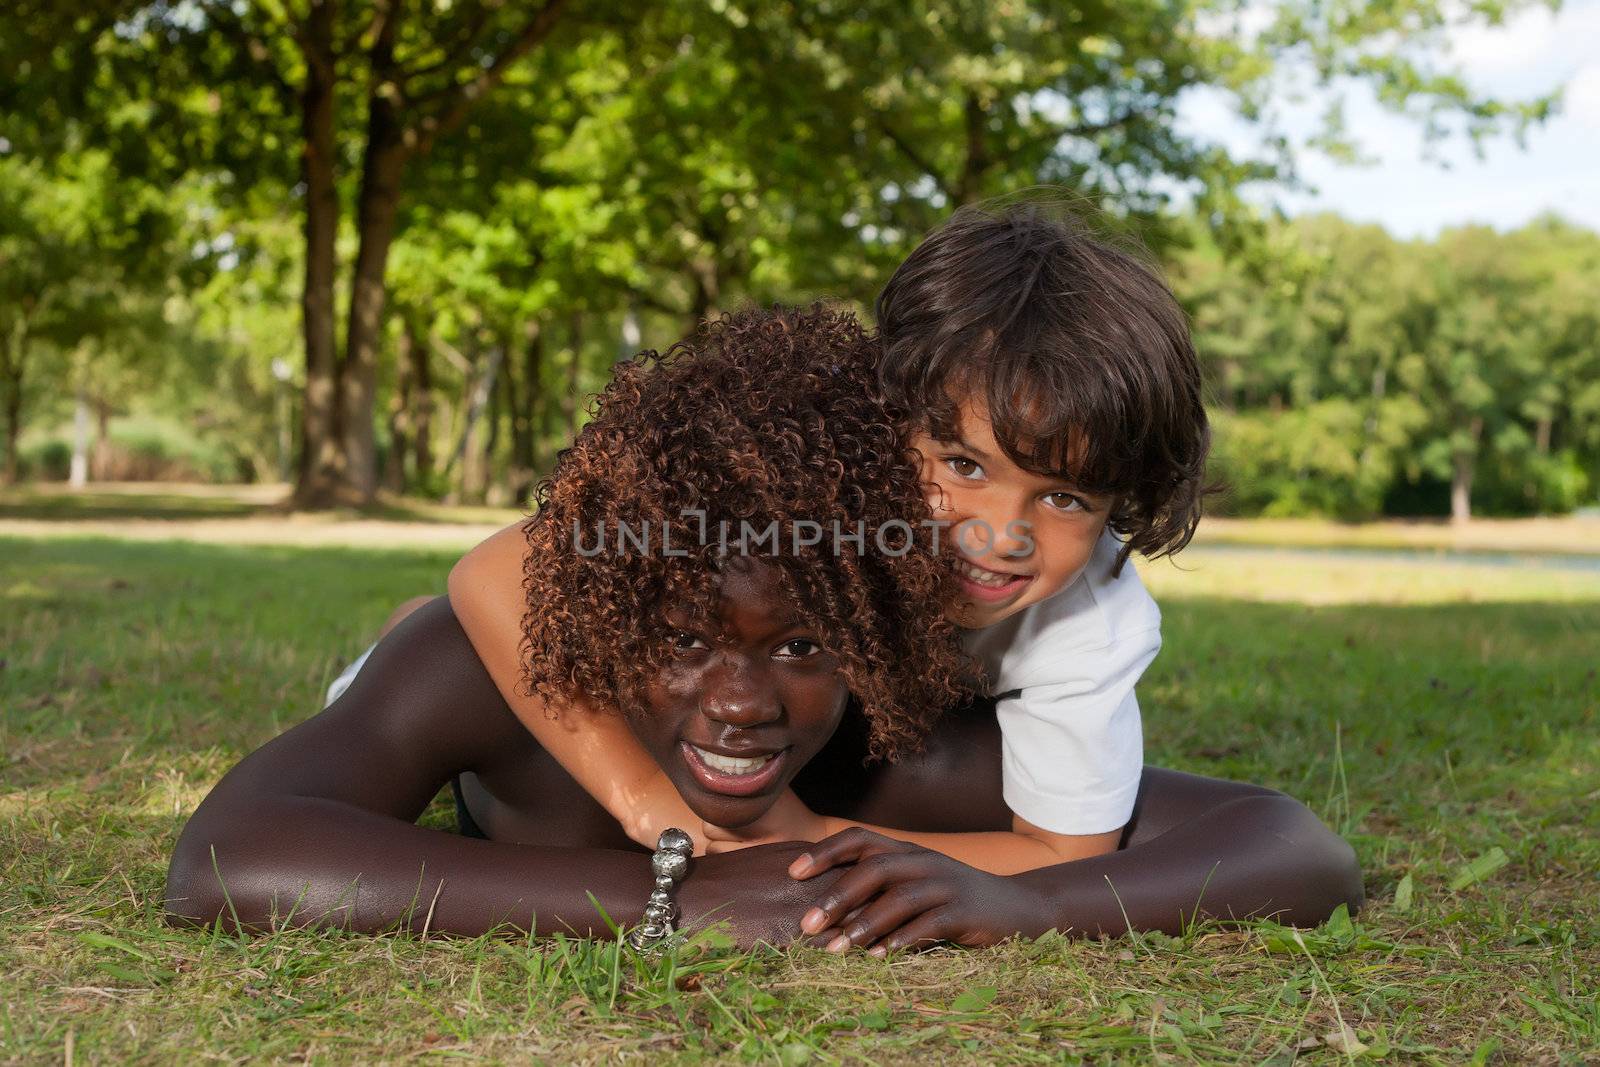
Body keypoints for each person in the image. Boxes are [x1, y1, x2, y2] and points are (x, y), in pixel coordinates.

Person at [165, 307, 1360, 951]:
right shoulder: (521, 654)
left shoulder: (883, 724)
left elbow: (1285, 839)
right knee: (425, 631)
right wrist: (661, 900)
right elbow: (229, 856)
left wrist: (1023, 901)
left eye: (801, 645)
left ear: (879, 624)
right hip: (487, 649)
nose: (740, 699)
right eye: (687, 634)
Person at [449, 202, 1211, 893]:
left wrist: (819, 837)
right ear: (889, 416)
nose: (1000, 534)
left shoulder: (1092, 623)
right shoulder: (804, 487)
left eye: (1064, 497)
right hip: (658, 711)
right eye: (964, 465)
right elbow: (490, 571)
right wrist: (643, 796)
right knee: (446, 645)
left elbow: (1065, 854)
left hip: (828, 745)